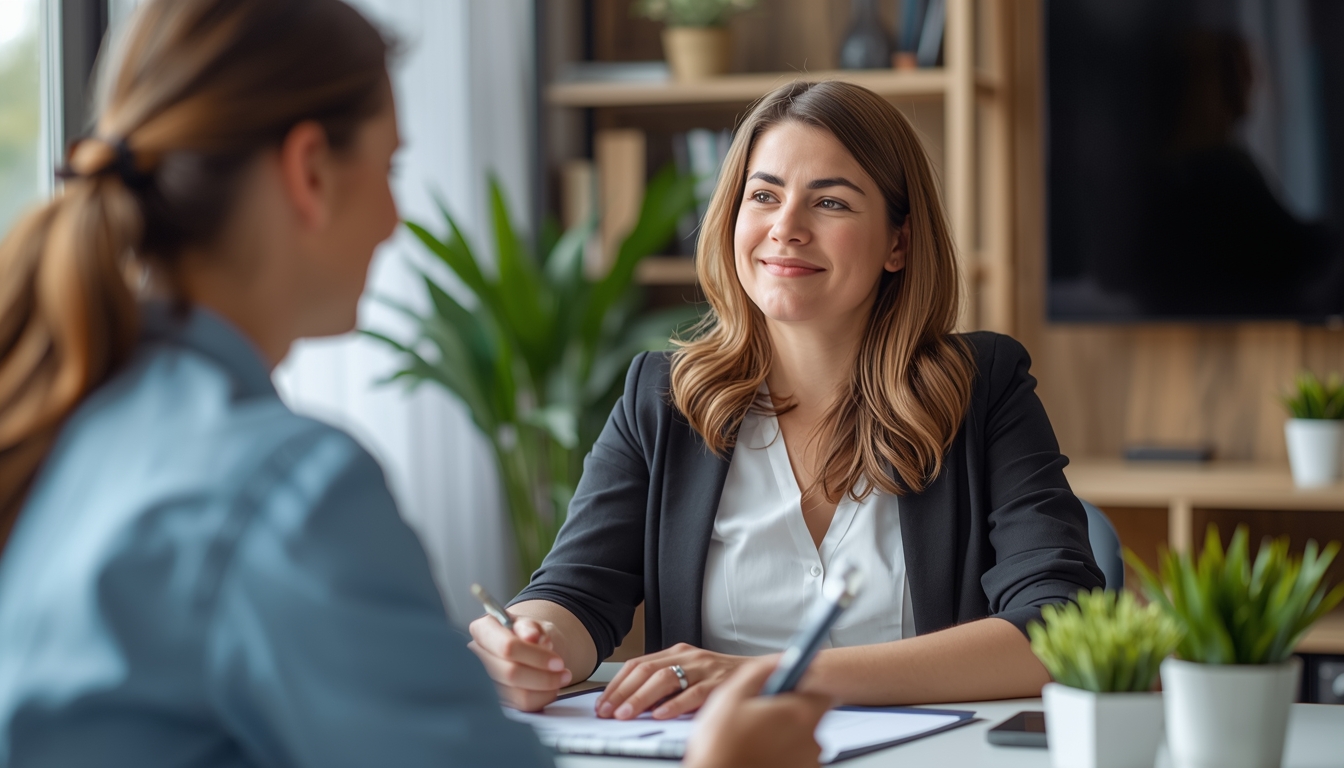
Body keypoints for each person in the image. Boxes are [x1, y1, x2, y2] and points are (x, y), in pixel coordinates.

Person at [0, 1, 831, 766]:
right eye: (391, 166)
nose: (396, 220)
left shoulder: (58, 420)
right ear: (309, 172)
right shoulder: (282, 488)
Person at [470, 80, 1105, 720]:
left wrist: (774, 676)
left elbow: (1059, 627)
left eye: (830, 202)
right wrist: (533, 642)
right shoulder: (661, 400)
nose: (786, 228)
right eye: (764, 195)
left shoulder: (983, 387)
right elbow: (577, 592)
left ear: (899, 243)